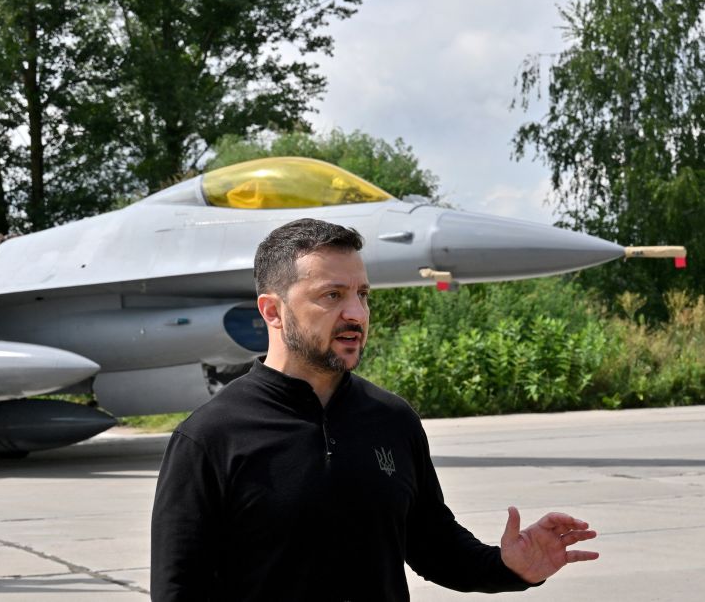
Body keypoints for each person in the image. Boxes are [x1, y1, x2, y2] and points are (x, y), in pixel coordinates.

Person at [150, 219, 599, 601]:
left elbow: (434, 545)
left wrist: (510, 566)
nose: (357, 313)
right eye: (332, 296)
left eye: (362, 294)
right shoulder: (210, 437)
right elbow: (178, 590)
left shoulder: (392, 419)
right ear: (273, 311)